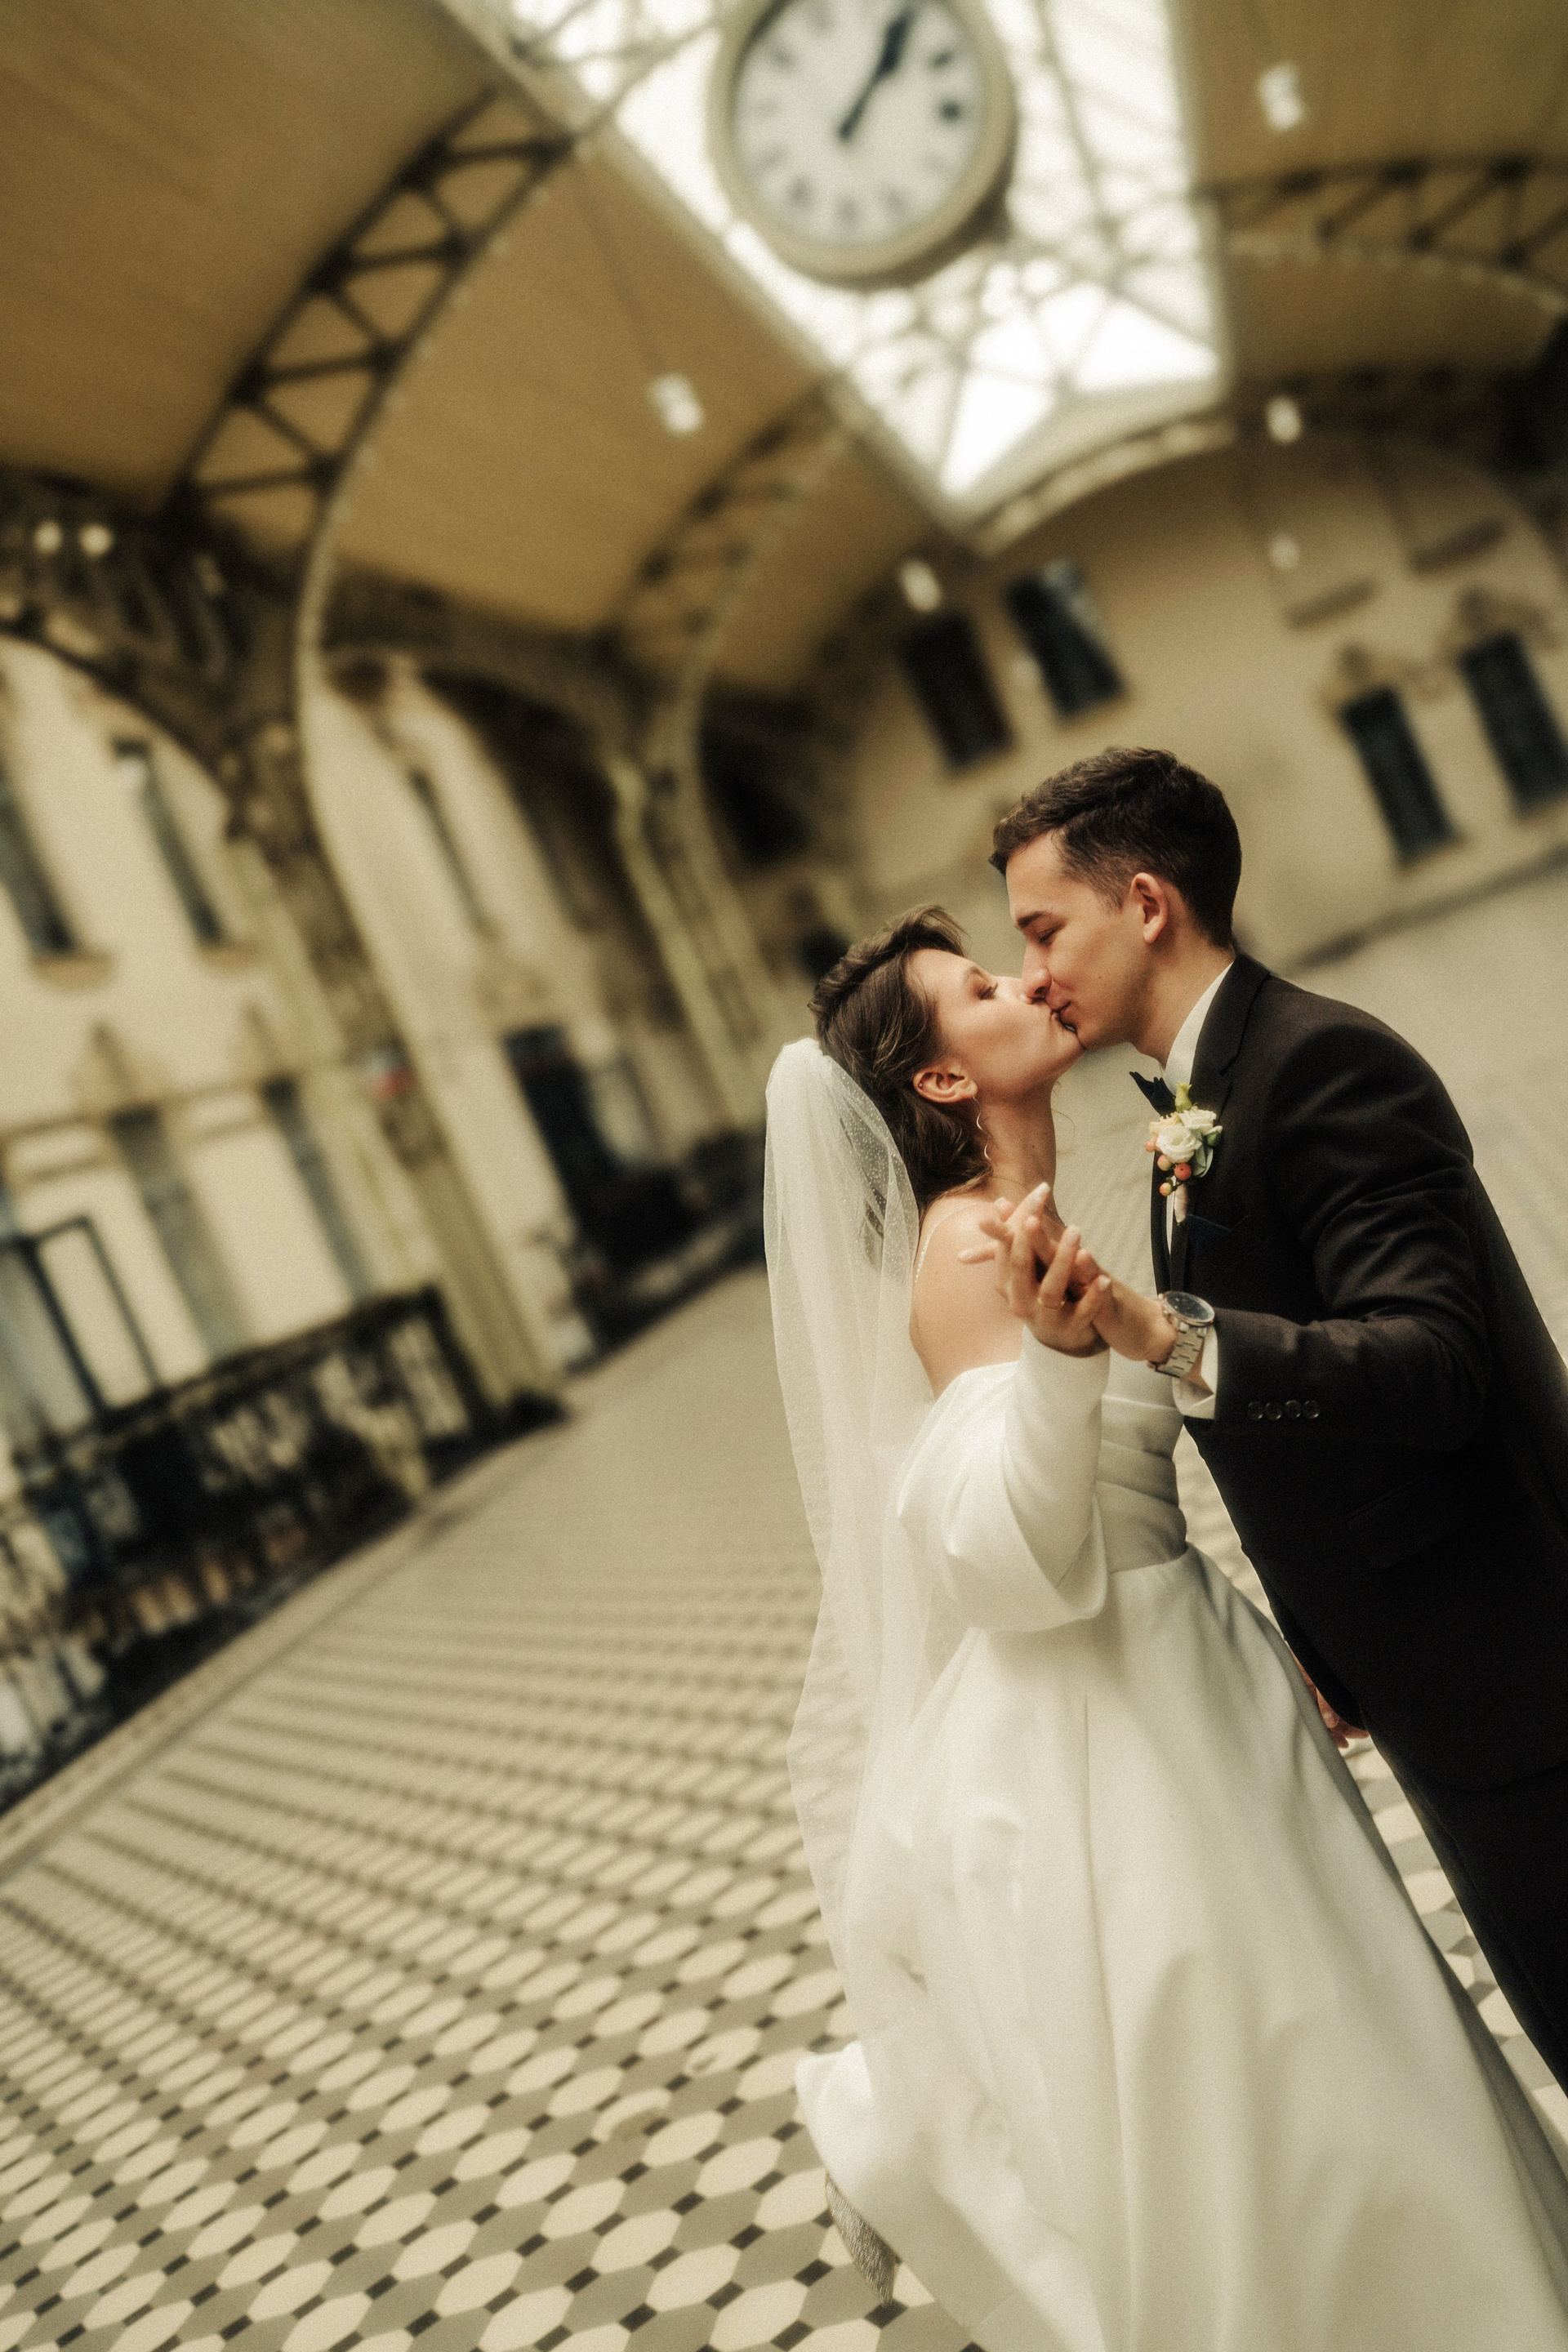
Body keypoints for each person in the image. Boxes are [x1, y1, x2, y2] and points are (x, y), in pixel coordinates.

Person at [763, 911, 1568, 2352]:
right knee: (1298, 2088)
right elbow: (1001, 1560)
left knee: (1363, 2040)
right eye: (985, 983)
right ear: (942, 1078)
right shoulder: (968, 1249)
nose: (1028, 979)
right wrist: (1062, 1370)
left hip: (1199, 1664)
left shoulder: (1051, 1207)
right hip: (1120, 1721)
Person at [980, 746, 1568, 2094]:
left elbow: (1434, 1363)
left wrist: (1166, 1336)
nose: (1033, 973)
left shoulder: (1322, 1064)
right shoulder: (1203, 1095)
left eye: (1044, 929)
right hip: (1438, 1677)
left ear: (1145, 903)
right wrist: (1320, 1633)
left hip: (1522, 1672)